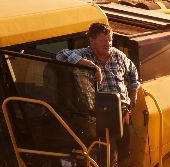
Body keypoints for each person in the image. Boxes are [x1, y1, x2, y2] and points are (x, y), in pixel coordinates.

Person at [56, 22, 139, 166]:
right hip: (98, 116)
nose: (108, 44)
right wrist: (89, 65)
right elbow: (60, 55)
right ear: (91, 41)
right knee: (107, 156)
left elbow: (132, 71)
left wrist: (133, 93)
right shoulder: (84, 55)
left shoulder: (118, 55)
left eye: (110, 40)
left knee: (125, 153)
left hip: (122, 113)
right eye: (103, 41)